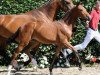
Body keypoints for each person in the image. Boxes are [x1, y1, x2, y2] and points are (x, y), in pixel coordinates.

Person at [62, 0, 100, 67]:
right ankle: (68, 50)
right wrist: (87, 24)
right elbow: (89, 18)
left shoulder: (99, 12)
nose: (99, 7)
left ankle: (68, 50)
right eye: (99, 5)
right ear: (96, 5)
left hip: (96, 31)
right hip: (91, 32)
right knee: (83, 46)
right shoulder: (93, 12)